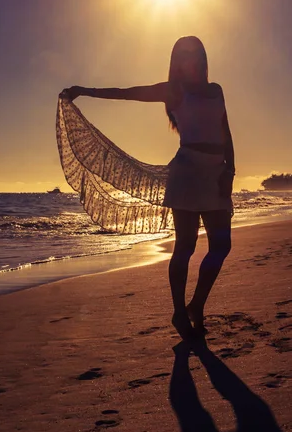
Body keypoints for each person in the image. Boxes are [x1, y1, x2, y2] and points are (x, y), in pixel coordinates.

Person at [62, 36, 234, 340]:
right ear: (176, 61)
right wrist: (85, 91)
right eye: (183, 55)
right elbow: (128, 94)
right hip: (187, 173)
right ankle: (179, 311)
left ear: (203, 58)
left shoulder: (215, 89)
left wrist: (229, 170)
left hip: (216, 173)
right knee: (186, 247)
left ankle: (196, 305)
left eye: (195, 54)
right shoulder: (173, 91)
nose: (190, 60)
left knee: (221, 247)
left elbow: (226, 130)